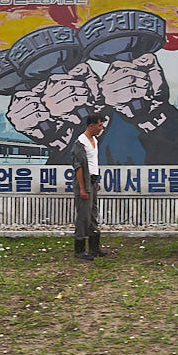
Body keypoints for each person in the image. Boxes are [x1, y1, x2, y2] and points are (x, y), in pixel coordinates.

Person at [68, 112, 113, 261]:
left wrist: (96, 181)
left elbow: (93, 164)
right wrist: (82, 188)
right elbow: (78, 167)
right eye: (99, 125)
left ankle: (94, 247)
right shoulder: (80, 143)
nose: (101, 128)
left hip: (93, 182)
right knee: (83, 216)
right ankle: (79, 249)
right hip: (84, 183)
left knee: (93, 214)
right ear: (91, 126)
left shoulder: (94, 140)